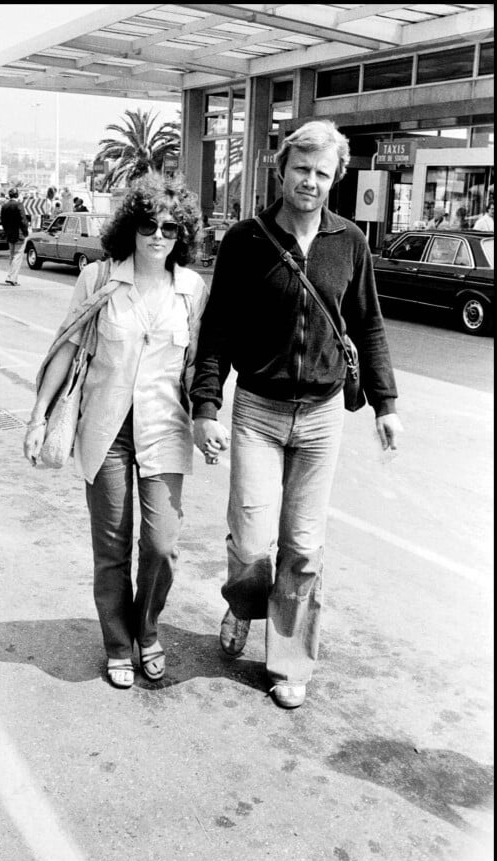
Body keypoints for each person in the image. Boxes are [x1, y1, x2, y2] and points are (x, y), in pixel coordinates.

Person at [190, 119, 403, 710]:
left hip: (322, 415)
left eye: (322, 173)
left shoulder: (349, 242)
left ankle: (289, 660)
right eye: (301, 169)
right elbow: (217, 330)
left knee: (304, 546)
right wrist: (205, 405)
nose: (310, 181)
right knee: (252, 542)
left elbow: (369, 326)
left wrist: (385, 404)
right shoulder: (246, 241)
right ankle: (242, 603)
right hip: (258, 410)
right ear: (281, 170)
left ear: (335, 179)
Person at [23, 175, 207, 690]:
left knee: (162, 545)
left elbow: (198, 367)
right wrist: (38, 417)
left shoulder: (192, 290)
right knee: (111, 548)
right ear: (131, 227)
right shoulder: (99, 278)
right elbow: (66, 346)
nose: (158, 235)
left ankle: (147, 629)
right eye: (148, 225)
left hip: (164, 430)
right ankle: (118, 644)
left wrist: (208, 417)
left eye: (170, 227)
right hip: (105, 431)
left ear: (182, 234)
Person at [0, 187, 29, 286]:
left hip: (9, 234)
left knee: (12, 256)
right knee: (17, 256)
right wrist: (26, 232)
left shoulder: (4, 206)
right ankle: (12, 278)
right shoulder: (19, 205)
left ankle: (12, 277)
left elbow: (3, 221)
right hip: (19, 234)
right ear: (17, 195)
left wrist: (6, 232)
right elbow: (23, 220)